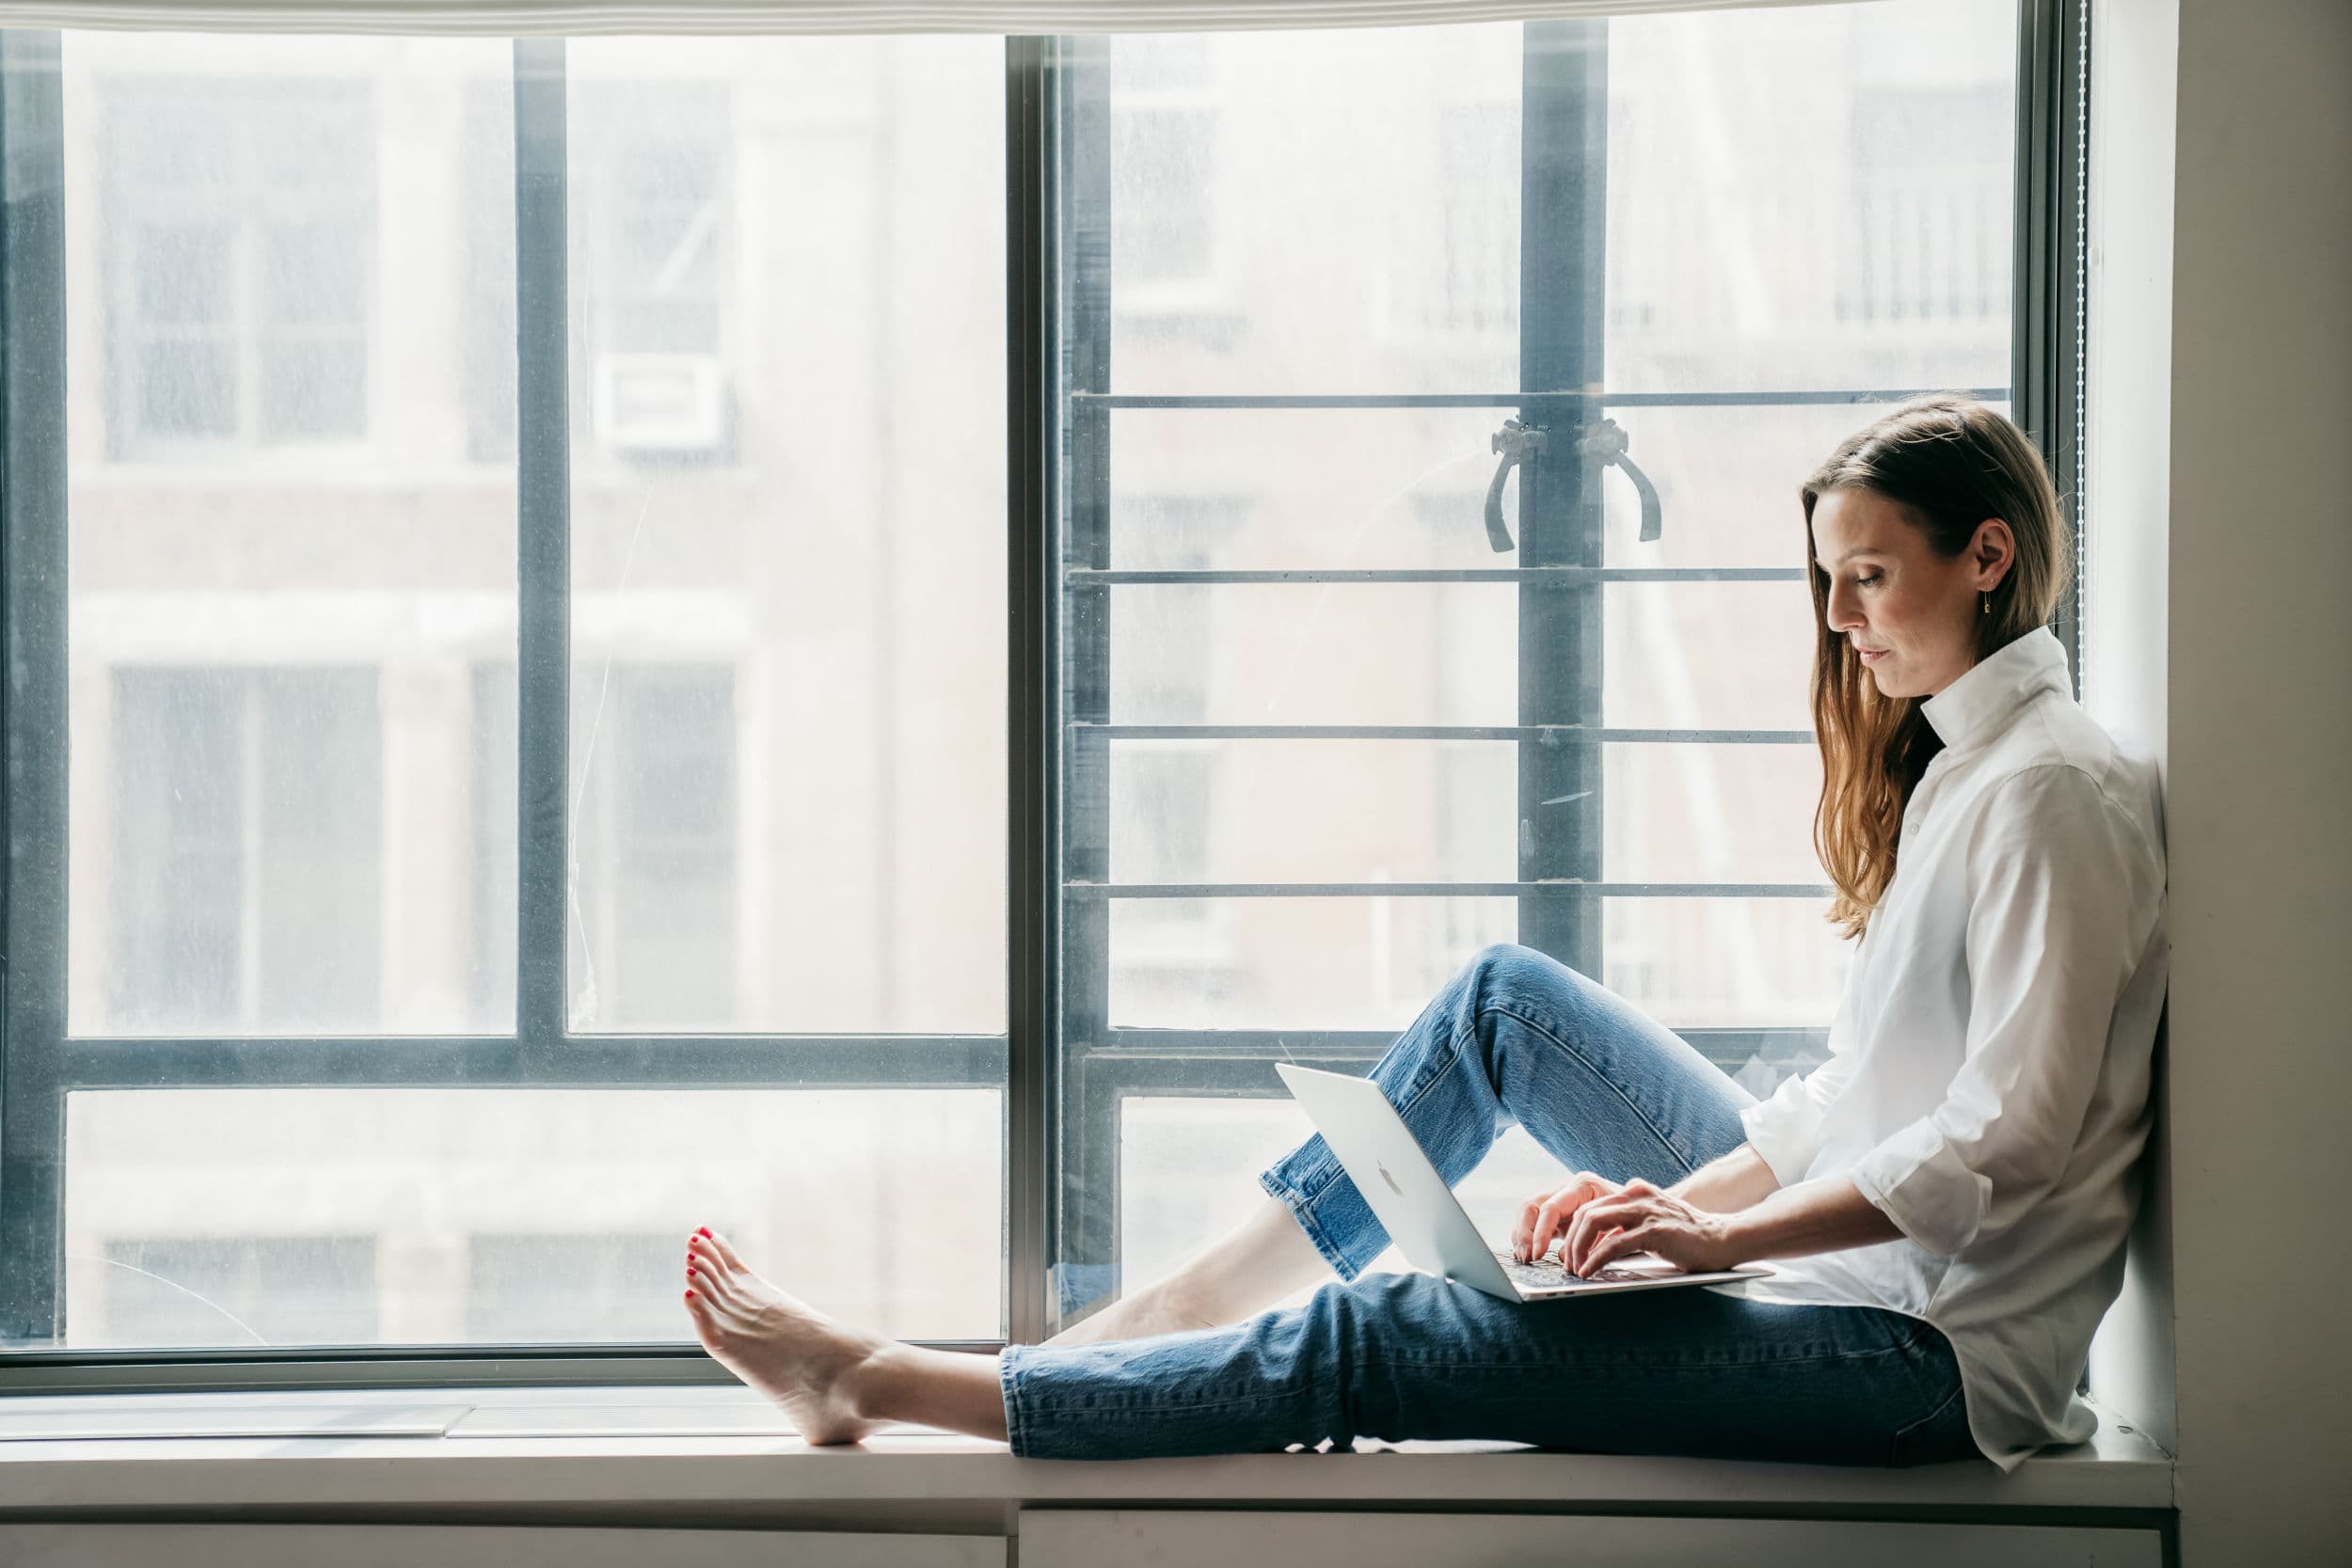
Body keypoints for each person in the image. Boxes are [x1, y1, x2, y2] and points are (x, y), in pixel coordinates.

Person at [678, 395, 2167, 1471]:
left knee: (1386, 1335)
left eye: (1869, 577)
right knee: (1505, 1005)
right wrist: (1655, 1241)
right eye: (1826, 581)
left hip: (1923, 1360)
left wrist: (1714, 1237)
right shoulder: (1964, 772)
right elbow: (1855, 1093)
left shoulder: (2057, 794)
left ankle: (874, 1381)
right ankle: (1181, 1307)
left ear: (1986, 556)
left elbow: (2005, 1141)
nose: (1839, 618)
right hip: (1835, 1273)